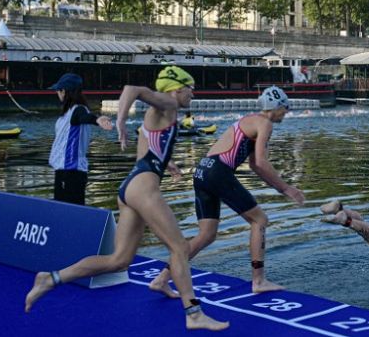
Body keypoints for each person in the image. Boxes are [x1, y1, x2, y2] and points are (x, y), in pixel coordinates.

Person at [25, 66, 229, 331]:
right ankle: (193, 313)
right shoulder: (167, 102)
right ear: (177, 88)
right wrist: (120, 120)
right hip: (143, 188)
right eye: (191, 88)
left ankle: (51, 279)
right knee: (179, 248)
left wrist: (168, 165)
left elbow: (149, 149)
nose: (193, 94)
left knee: (119, 260)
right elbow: (132, 90)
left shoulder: (159, 114)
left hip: (131, 186)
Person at [149, 86, 305, 296]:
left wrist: (279, 188)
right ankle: (258, 281)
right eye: (285, 109)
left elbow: (255, 166)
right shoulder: (265, 123)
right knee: (259, 220)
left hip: (202, 171)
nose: (286, 113)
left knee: (206, 235)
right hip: (217, 172)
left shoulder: (250, 120)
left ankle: (161, 279)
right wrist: (286, 188)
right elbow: (261, 161)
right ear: (276, 108)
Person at [48, 73, 113, 205]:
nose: (57, 93)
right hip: (63, 170)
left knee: (69, 211)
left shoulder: (78, 110)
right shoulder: (67, 113)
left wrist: (97, 120)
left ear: (64, 91)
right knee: (63, 210)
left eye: (58, 90)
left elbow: (85, 117)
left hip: (71, 171)